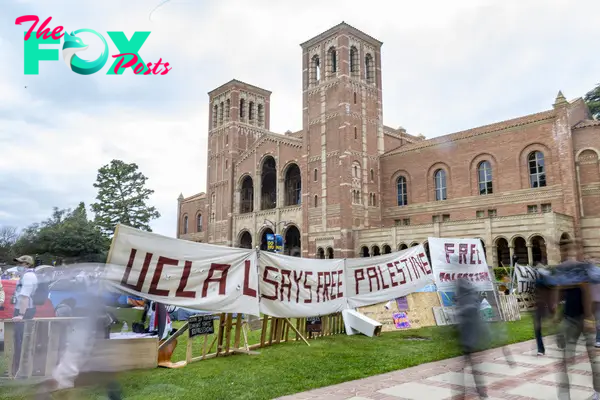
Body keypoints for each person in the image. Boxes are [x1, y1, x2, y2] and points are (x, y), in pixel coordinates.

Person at [556, 261, 600, 400]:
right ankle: (564, 396)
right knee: (566, 361)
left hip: (584, 318)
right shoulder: (566, 271)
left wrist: (588, 317)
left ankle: (598, 392)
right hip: (570, 318)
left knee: (593, 359)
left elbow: (586, 290)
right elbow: (559, 293)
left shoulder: (582, 270)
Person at [11, 255, 38, 377]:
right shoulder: (27, 276)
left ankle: (20, 371)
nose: (18, 266)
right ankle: (17, 369)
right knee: (19, 341)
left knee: (21, 342)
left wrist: (21, 314)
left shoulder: (28, 276)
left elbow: (25, 297)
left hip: (24, 311)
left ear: (27, 264)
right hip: (23, 310)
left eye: (21, 263)